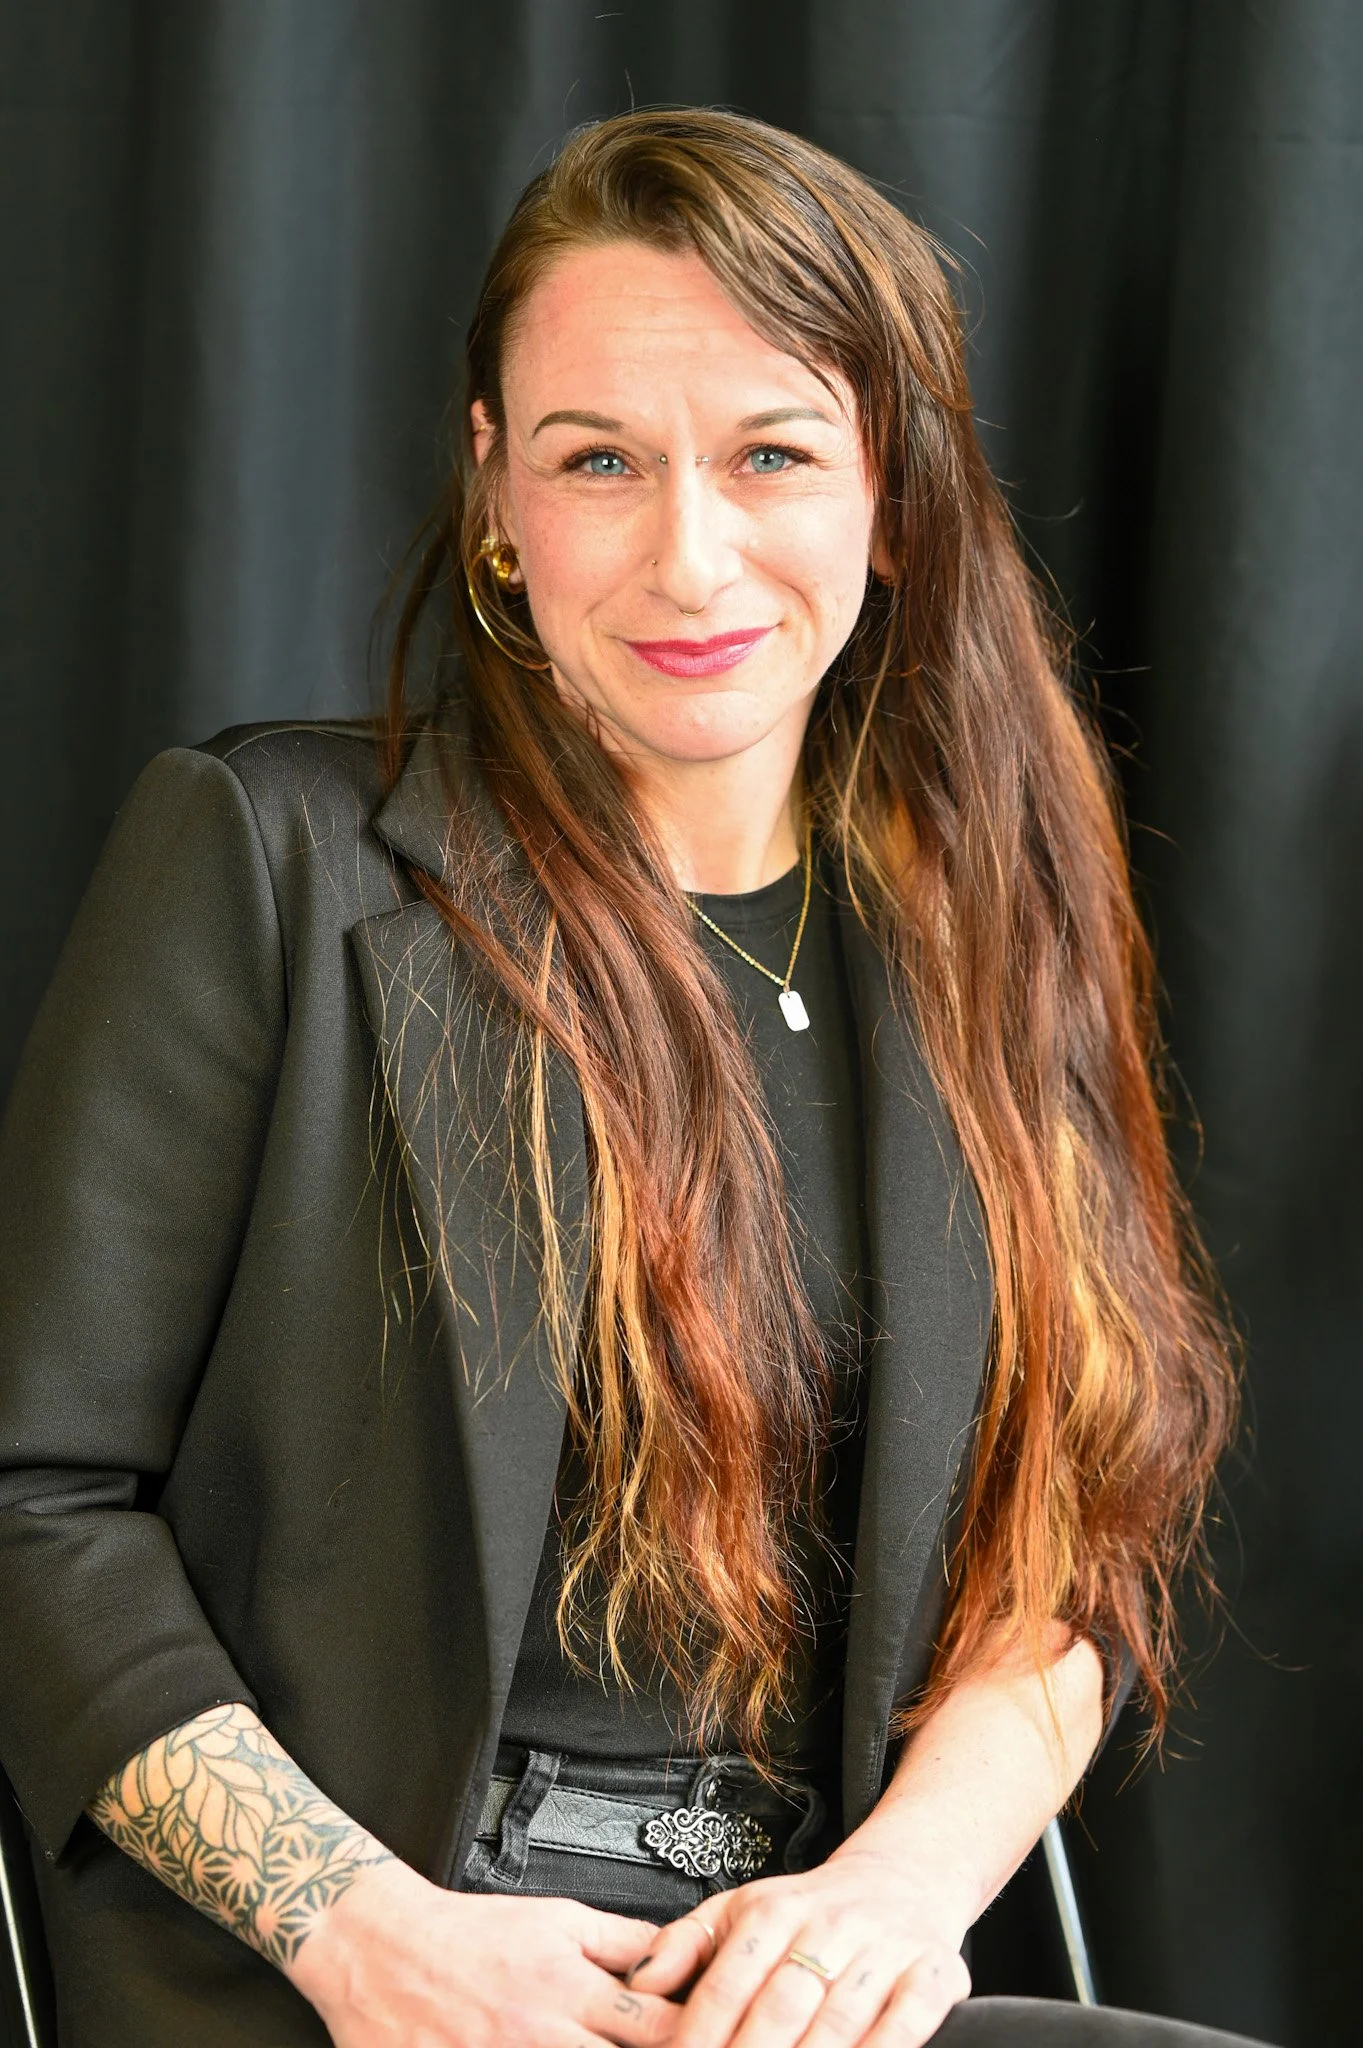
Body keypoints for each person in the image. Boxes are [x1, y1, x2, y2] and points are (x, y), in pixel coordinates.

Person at [0, 108, 1256, 2048]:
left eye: (773, 454)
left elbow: (1054, 1545)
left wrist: (891, 1903)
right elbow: (32, 1496)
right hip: (351, 1986)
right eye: (600, 459)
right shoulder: (265, 851)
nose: (690, 552)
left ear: (893, 497)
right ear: (496, 488)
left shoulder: (986, 925)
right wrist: (358, 1928)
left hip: (782, 2005)